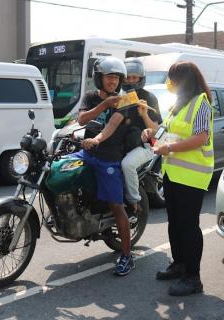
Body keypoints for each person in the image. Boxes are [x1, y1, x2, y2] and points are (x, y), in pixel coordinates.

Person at [142, 61, 214, 296]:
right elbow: (163, 133)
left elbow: (201, 138)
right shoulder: (178, 105)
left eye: (173, 78)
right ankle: (179, 264)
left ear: (185, 80)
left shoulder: (201, 102)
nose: (169, 83)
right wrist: (148, 128)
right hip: (172, 173)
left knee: (189, 226)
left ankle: (193, 278)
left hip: (193, 176)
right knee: (175, 222)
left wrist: (169, 148)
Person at [77, 57, 134, 276]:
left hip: (108, 158)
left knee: (116, 206)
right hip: (87, 153)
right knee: (60, 169)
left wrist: (97, 140)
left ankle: (127, 256)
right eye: (109, 77)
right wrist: (103, 105)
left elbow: (111, 126)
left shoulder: (125, 100)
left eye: (117, 77)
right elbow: (82, 120)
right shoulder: (91, 97)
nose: (113, 81)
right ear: (98, 78)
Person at [120, 58, 162, 222]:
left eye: (134, 77)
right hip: (123, 144)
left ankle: (134, 202)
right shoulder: (122, 98)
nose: (131, 81)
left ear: (141, 78)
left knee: (127, 165)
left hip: (144, 146)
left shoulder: (149, 98)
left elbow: (155, 130)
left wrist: (144, 114)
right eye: (128, 77)